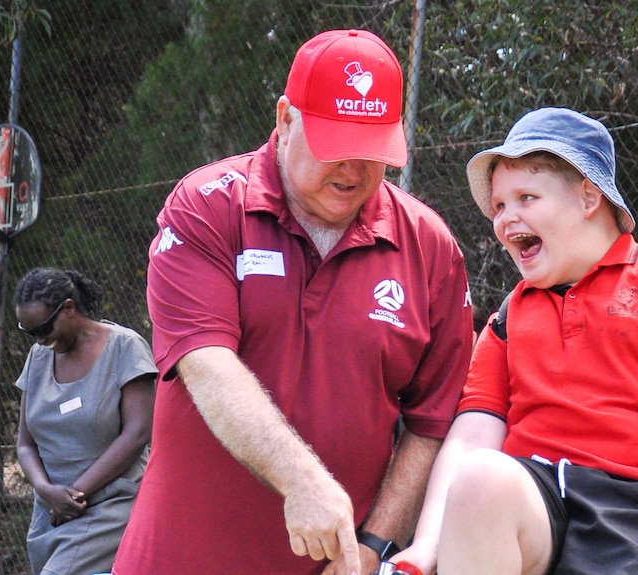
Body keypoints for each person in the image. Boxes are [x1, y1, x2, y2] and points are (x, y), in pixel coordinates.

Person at [112, 29, 473, 575]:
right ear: (285, 119)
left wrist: (371, 545)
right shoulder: (208, 206)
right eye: (335, 146)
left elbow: (432, 422)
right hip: (178, 559)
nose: (353, 170)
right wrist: (303, 479)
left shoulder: (431, 248)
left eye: (372, 152)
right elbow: (205, 363)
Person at [391, 107, 638, 575]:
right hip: (536, 500)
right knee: (480, 478)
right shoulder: (508, 318)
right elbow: (471, 439)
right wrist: (426, 546)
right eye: (499, 206)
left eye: (526, 198)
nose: (505, 219)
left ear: (588, 197)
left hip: (637, 510)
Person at [14, 268, 157, 575]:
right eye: (30, 333)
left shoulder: (124, 348)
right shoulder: (38, 357)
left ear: (69, 308)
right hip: (52, 511)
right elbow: (25, 443)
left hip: (109, 505)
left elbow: (137, 434)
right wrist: (45, 489)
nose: (39, 340)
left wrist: (75, 493)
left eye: (43, 328)